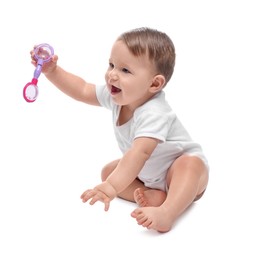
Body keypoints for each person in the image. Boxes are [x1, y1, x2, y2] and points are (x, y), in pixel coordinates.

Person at [31, 27, 209, 233]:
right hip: (150, 175)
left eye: (125, 70)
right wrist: (52, 71)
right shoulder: (119, 96)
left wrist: (113, 187)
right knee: (108, 172)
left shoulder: (155, 112)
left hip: (181, 176)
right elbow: (82, 89)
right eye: (112, 65)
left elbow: (139, 153)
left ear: (154, 83)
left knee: (189, 164)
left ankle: (167, 212)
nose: (112, 75)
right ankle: (154, 195)